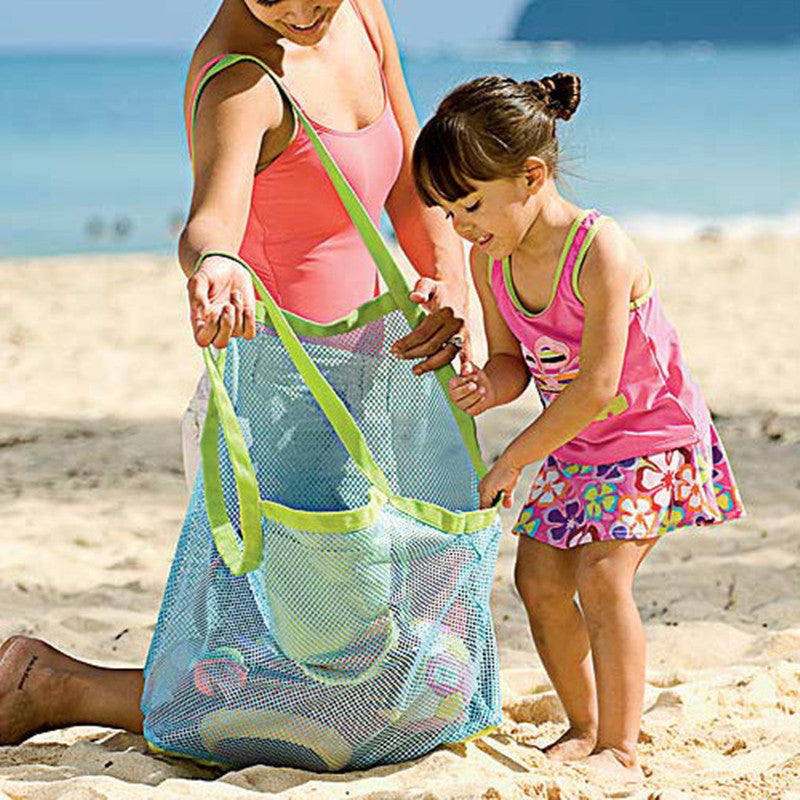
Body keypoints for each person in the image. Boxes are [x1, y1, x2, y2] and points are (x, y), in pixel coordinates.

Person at [0, 0, 468, 746]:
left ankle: (59, 683)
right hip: (279, 416)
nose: (302, 8)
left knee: (399, 674)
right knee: (334, 694)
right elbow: (210, 224)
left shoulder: (363, 16)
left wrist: (448, 278)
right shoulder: (240, 81)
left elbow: (409, 181)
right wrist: (216, 263)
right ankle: (57, 686)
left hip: (375, 392)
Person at [412, 72, 744, 783]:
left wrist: (512, 461)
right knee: (537, 580)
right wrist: (486, 387)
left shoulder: (600, 248)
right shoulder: (489, 258)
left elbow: (595, 387)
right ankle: (583, 724)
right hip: (576, 443)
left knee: (602, 575)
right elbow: (513, 363)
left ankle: (621, 746)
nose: (460, 224)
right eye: (446, 210)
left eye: (470, 203)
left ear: (531, 175)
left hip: (650, 437)